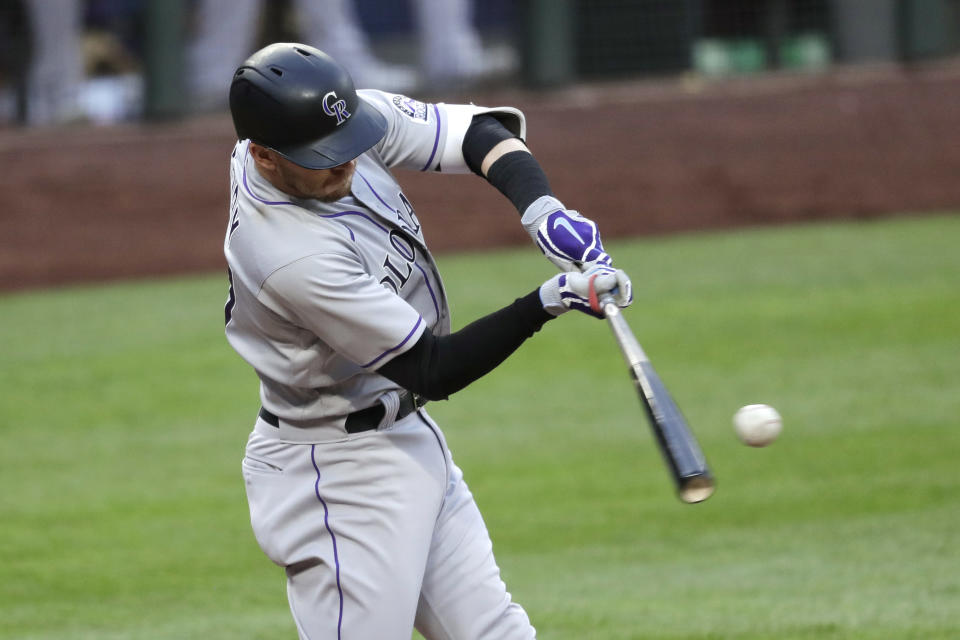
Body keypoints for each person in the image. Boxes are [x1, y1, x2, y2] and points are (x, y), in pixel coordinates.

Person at [223, 42, 632, 639]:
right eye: (324, 157)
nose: (347, 164)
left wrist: (541, 209)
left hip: (403, 439)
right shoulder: (288, 254)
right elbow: (432, 370)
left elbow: (476, 132)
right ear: (262, 156)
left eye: (347, 143)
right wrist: (546, 301)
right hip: (336, 478)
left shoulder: (317, 131)